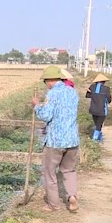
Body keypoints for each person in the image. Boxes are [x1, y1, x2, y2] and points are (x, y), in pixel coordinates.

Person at [32, 66, 80, 213]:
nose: (46, 84)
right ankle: (72, 196)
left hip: (55, 141)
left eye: (46, 81)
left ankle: (53, 205)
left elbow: (46, 115)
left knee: (50, 172)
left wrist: (36, 106)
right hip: (72, 140)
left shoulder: (52, 94)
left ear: (50, 81)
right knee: (69, 170)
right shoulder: (73, 92)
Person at [85, 74, 112, 142]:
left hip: (93, 109)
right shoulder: (106, 89)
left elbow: (87, 96)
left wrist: (93, 94)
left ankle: (100, 138)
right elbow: (109, 100)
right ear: (103, 81)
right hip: (102, 110)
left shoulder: (92, 87)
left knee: (97, 124)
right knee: (99, 125)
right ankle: (94, 139)